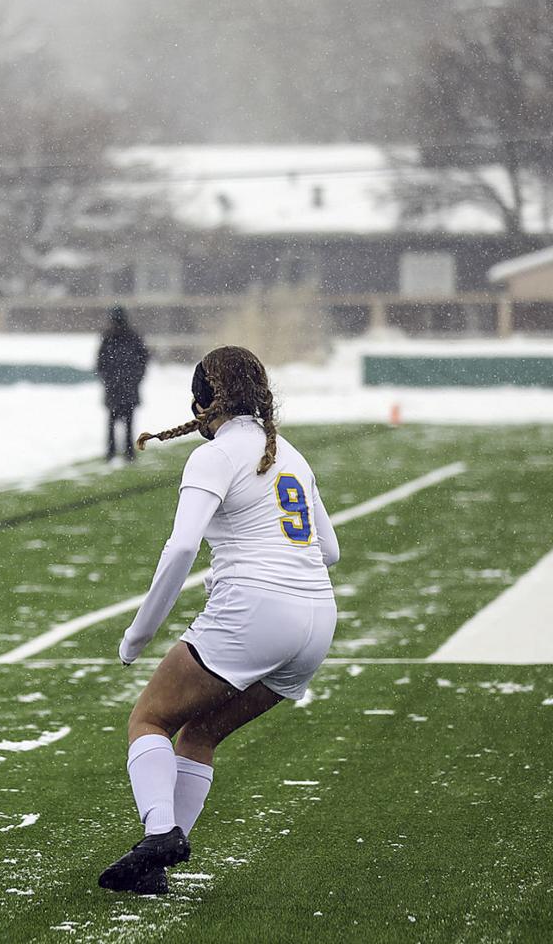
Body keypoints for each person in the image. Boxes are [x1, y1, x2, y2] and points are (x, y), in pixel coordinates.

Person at [97, 345, 340, 894]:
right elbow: (329, 551)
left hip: (256, 612)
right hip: (317, 622)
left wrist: (138, 635)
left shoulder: (214, 456)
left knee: (150, 719)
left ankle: (160, 833)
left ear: (203, 403)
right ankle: (154, 864)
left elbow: (182, 548)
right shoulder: (292, 456)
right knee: (201, 732)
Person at [95, 306, 150, 462]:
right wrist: (133, 379)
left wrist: (111, 380)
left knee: (115, 422)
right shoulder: (131, 337)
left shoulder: (110, 338)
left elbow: (100, 363)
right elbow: (143, 360)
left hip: (119, 387)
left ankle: (115, 452)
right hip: (124, 387)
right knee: (126, 422)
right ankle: (126, 452)